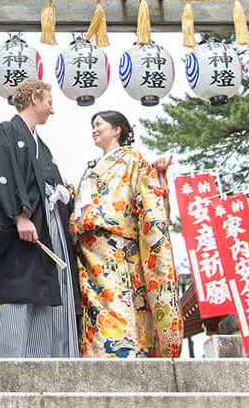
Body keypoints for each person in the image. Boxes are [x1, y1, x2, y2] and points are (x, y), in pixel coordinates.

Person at [0, 77, 81, 358]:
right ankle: (6, 377)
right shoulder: (6, 132)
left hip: (43, 236)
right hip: (18, 235)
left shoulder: (42, 146)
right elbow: (1, 174)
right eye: (49, 102)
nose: (52, 110)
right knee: (16, 298)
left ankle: (38, 373)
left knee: (40, 303)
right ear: (35, 97)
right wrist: (19, 215)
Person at [70, 110, 182, 358]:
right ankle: (95, 355)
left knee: (119, 303)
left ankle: (128, 355)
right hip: (88, 250)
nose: (94, 130)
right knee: (94, 308)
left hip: (117, 247)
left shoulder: (132, 159)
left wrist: (159, 177)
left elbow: (150, 198)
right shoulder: (92, 167)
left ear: (117, 129)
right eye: (93, 126)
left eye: (99, 124)